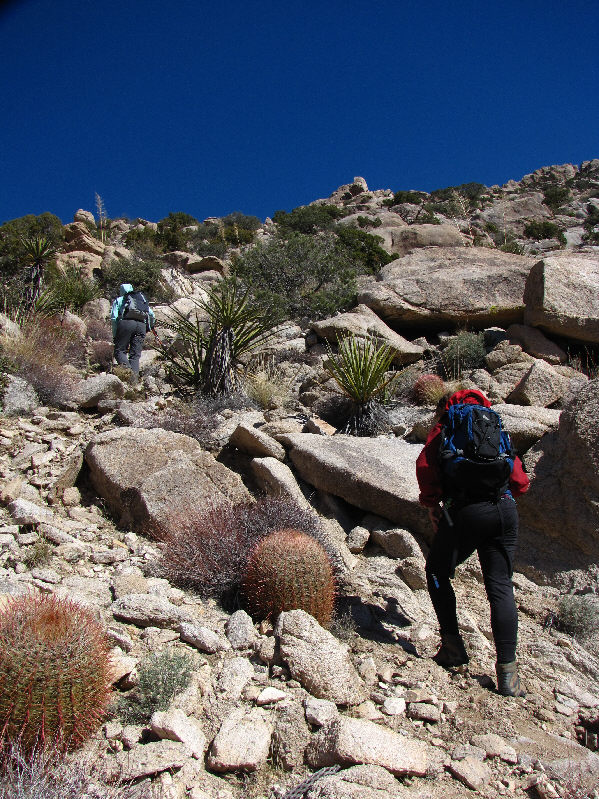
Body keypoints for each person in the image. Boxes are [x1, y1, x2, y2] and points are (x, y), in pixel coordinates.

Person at [416, 389, 530, 697]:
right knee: (500, 586)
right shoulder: (495, 425)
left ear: (446, 406)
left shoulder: (449, 424)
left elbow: (425, 467)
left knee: (438, 573)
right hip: (504, 511)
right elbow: (521, 481)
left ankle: (453, 648)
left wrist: (432, 504)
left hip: (466, 513)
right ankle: (508, 674)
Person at [110, 283, 155, 378]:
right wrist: (149, 327)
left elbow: (114, 318)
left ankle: (128, 374)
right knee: (135, 355)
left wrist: (115, 334)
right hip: (141, 326)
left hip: (126, 324)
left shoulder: (120, 300)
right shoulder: (140, 300)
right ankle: (134, 381)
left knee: (120, 351)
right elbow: (151, 315)